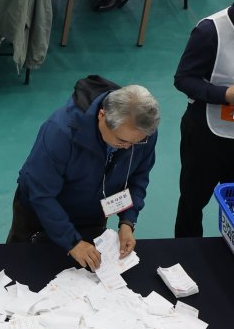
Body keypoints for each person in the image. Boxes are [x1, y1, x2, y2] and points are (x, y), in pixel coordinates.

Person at [9, 80, 160, 269]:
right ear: (102, 115)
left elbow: (139, 177)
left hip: (93, 212)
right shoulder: (61, 131)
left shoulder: (142, 132)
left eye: (136, 142)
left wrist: (128, 221)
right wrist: (72, 242)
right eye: (121, 141)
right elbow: (41, 193)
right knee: (25, 269)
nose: (129, 147)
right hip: (41, 214)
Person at [174, 3, 234, 236]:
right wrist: (225, 94)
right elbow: (184, 78)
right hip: (205, 137)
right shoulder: (210, 31)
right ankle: (185, 256)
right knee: (192, 203)